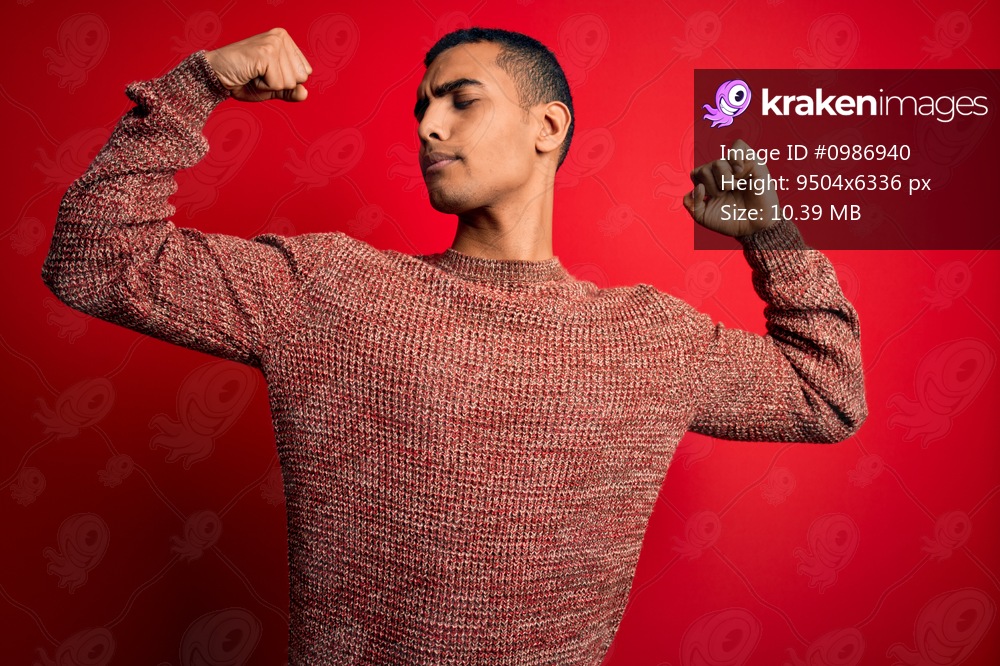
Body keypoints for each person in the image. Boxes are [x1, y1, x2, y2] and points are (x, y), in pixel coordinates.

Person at [42, 25, 867, 666]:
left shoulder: (649, 338)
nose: (429, 126)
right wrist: (198, 85)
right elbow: (94, 260)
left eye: (461, 100)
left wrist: (770, 232)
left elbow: (829, 397)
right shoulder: (333, 289)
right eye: (421, 109)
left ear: (549, 126)